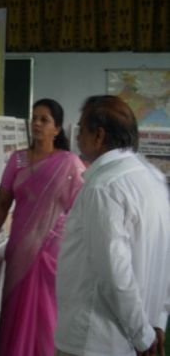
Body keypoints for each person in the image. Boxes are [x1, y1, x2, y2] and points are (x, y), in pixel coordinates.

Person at [55, 95, 170, 356]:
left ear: (99, 136)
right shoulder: (152, 178)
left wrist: (143, 336)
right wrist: (156, 322)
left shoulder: (104, 188)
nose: (76, 137)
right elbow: (165, 258)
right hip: (136, 331)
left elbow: (114, 273)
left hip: (95, 340)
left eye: (82, 128)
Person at [0, 98, 85, 356]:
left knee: (45, 312)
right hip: (19, 248)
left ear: (57, 129)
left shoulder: (69, 163)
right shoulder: (18, 160)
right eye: (34, 118)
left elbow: (80, 210)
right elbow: (4, 201)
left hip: (51, 252)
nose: (36, 123)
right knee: (15, 306)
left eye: (44, 119)